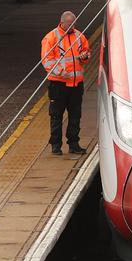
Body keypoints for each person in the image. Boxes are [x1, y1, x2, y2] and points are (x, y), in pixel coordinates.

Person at [41, 11, 91, 155]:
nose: (72, 26)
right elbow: (47, 60)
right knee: (56, 116)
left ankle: (74, 144)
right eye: (70, 24)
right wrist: (61, 72)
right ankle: (56, 145)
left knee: (75, 115)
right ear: (62, 22)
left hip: (76, 85)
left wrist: (84, 56)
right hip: (58, 85)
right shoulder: (50, 38)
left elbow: (86, 52)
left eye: (74, 23)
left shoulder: (79, 36)